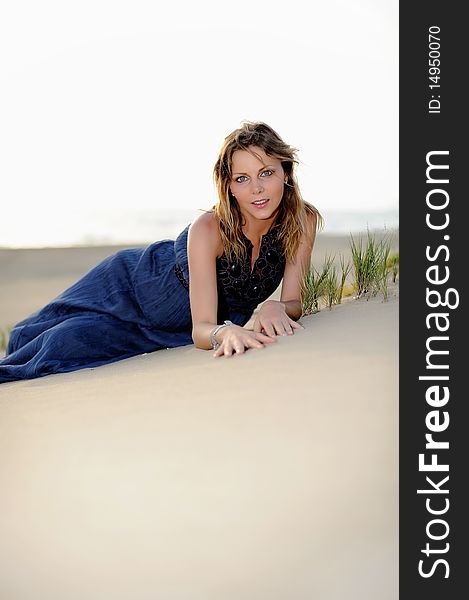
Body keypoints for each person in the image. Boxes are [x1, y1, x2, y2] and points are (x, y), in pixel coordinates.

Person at [0, 121, 322, 383]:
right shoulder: (209, 229)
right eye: (242, 178)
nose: (256, 189)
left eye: (266, 173)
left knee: (63, 344)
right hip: (137, 283)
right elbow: (203, 330)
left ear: (285, 172)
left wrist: (273, 307)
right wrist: (224, 332)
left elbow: (291, 302)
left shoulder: (301, 221)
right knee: (28, 337)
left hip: (167, 329)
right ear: (229, 186)